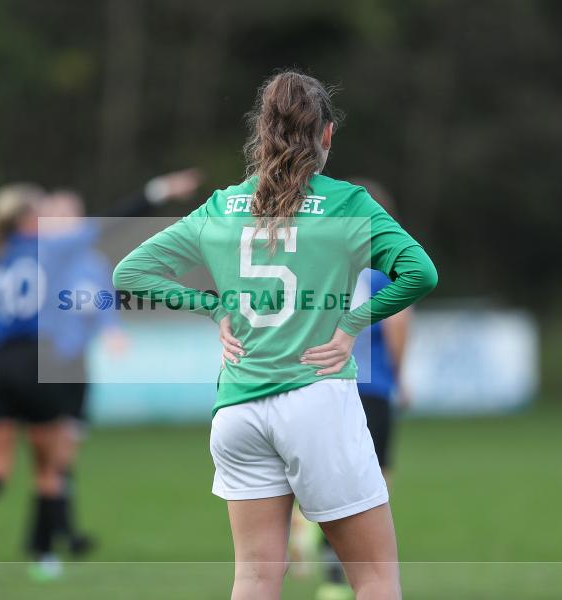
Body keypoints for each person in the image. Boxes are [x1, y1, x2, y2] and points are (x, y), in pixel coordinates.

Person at [112, 71, 437, 599]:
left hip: (237, 410)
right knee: (375, 577)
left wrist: (210, 307)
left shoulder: (220, 207)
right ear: (327, 136)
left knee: (257, 577)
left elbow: (128, 273)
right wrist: (353, 323)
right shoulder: (348, 205)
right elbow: (421, 273)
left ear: (262, 134)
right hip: (316, 401)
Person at [0, 170, 200, 581]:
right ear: (28, 217)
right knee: (50, 468)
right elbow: (113, 222)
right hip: (37, 362)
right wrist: (158, 191)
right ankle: (44, 557)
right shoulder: (53, 249)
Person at [314, 180, 415, 600]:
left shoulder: (325, 259)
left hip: (328, 383)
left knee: (333, 471)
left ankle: (322, 546)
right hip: (372, 385)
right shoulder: (384, 264)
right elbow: (397, 325)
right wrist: (401, 375)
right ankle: (354, 567)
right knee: (376, 478)